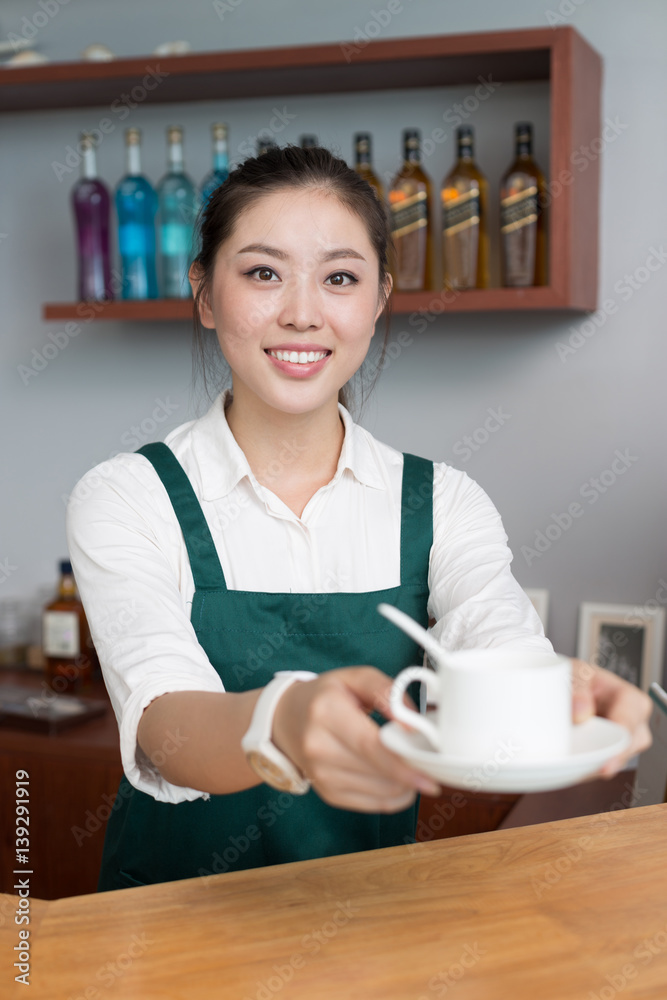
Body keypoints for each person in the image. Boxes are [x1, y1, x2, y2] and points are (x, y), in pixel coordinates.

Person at [66, 145, 651, 892]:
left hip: (371, 921)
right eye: (262, 272)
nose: (303, 313)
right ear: (206, 294)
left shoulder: (444, 502)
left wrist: (558, 695)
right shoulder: (128, 495)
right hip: (173, 926)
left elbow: (500, 644)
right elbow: (165, 728)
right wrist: (283, 718)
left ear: (378, 300)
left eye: (339, 278)